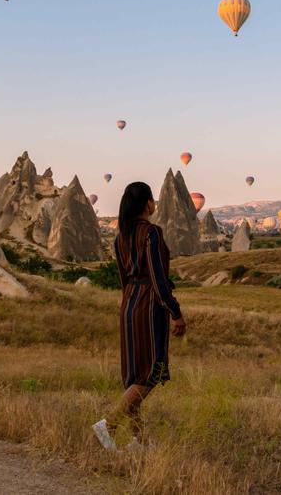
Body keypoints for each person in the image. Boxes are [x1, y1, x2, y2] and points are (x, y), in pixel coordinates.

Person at [92, 182, 186, 451]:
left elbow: (124, 278)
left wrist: (129, 302)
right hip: (149, 307)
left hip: (129, 305)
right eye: (153, 199)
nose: (154, 203)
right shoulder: (151, 233)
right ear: (147, 203)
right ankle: (107, 426)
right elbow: (158, 279)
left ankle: (140, 440)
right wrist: (175, 312)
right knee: (149, 374)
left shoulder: (120, 237)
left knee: (135, 376)